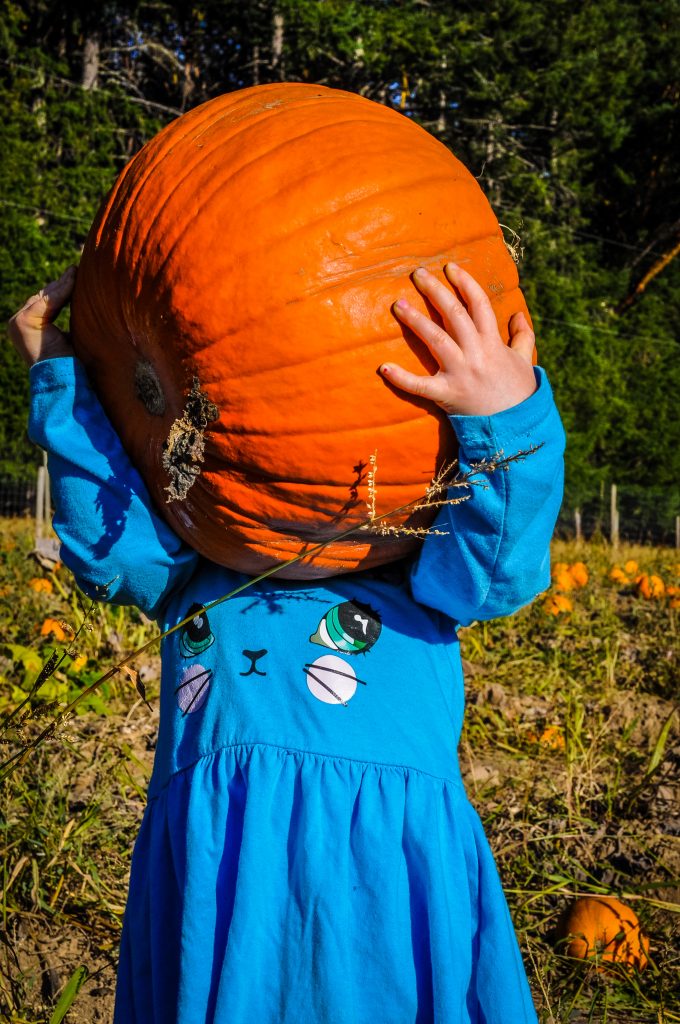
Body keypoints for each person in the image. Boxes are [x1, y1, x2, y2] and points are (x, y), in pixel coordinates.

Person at [9, 260, 565, 1024]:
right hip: (221, 861)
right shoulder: (189, 570)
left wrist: (504, 415)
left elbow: (503, 564)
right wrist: (65, 380)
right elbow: (109, 547)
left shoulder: (422, 577)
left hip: (378, 879)